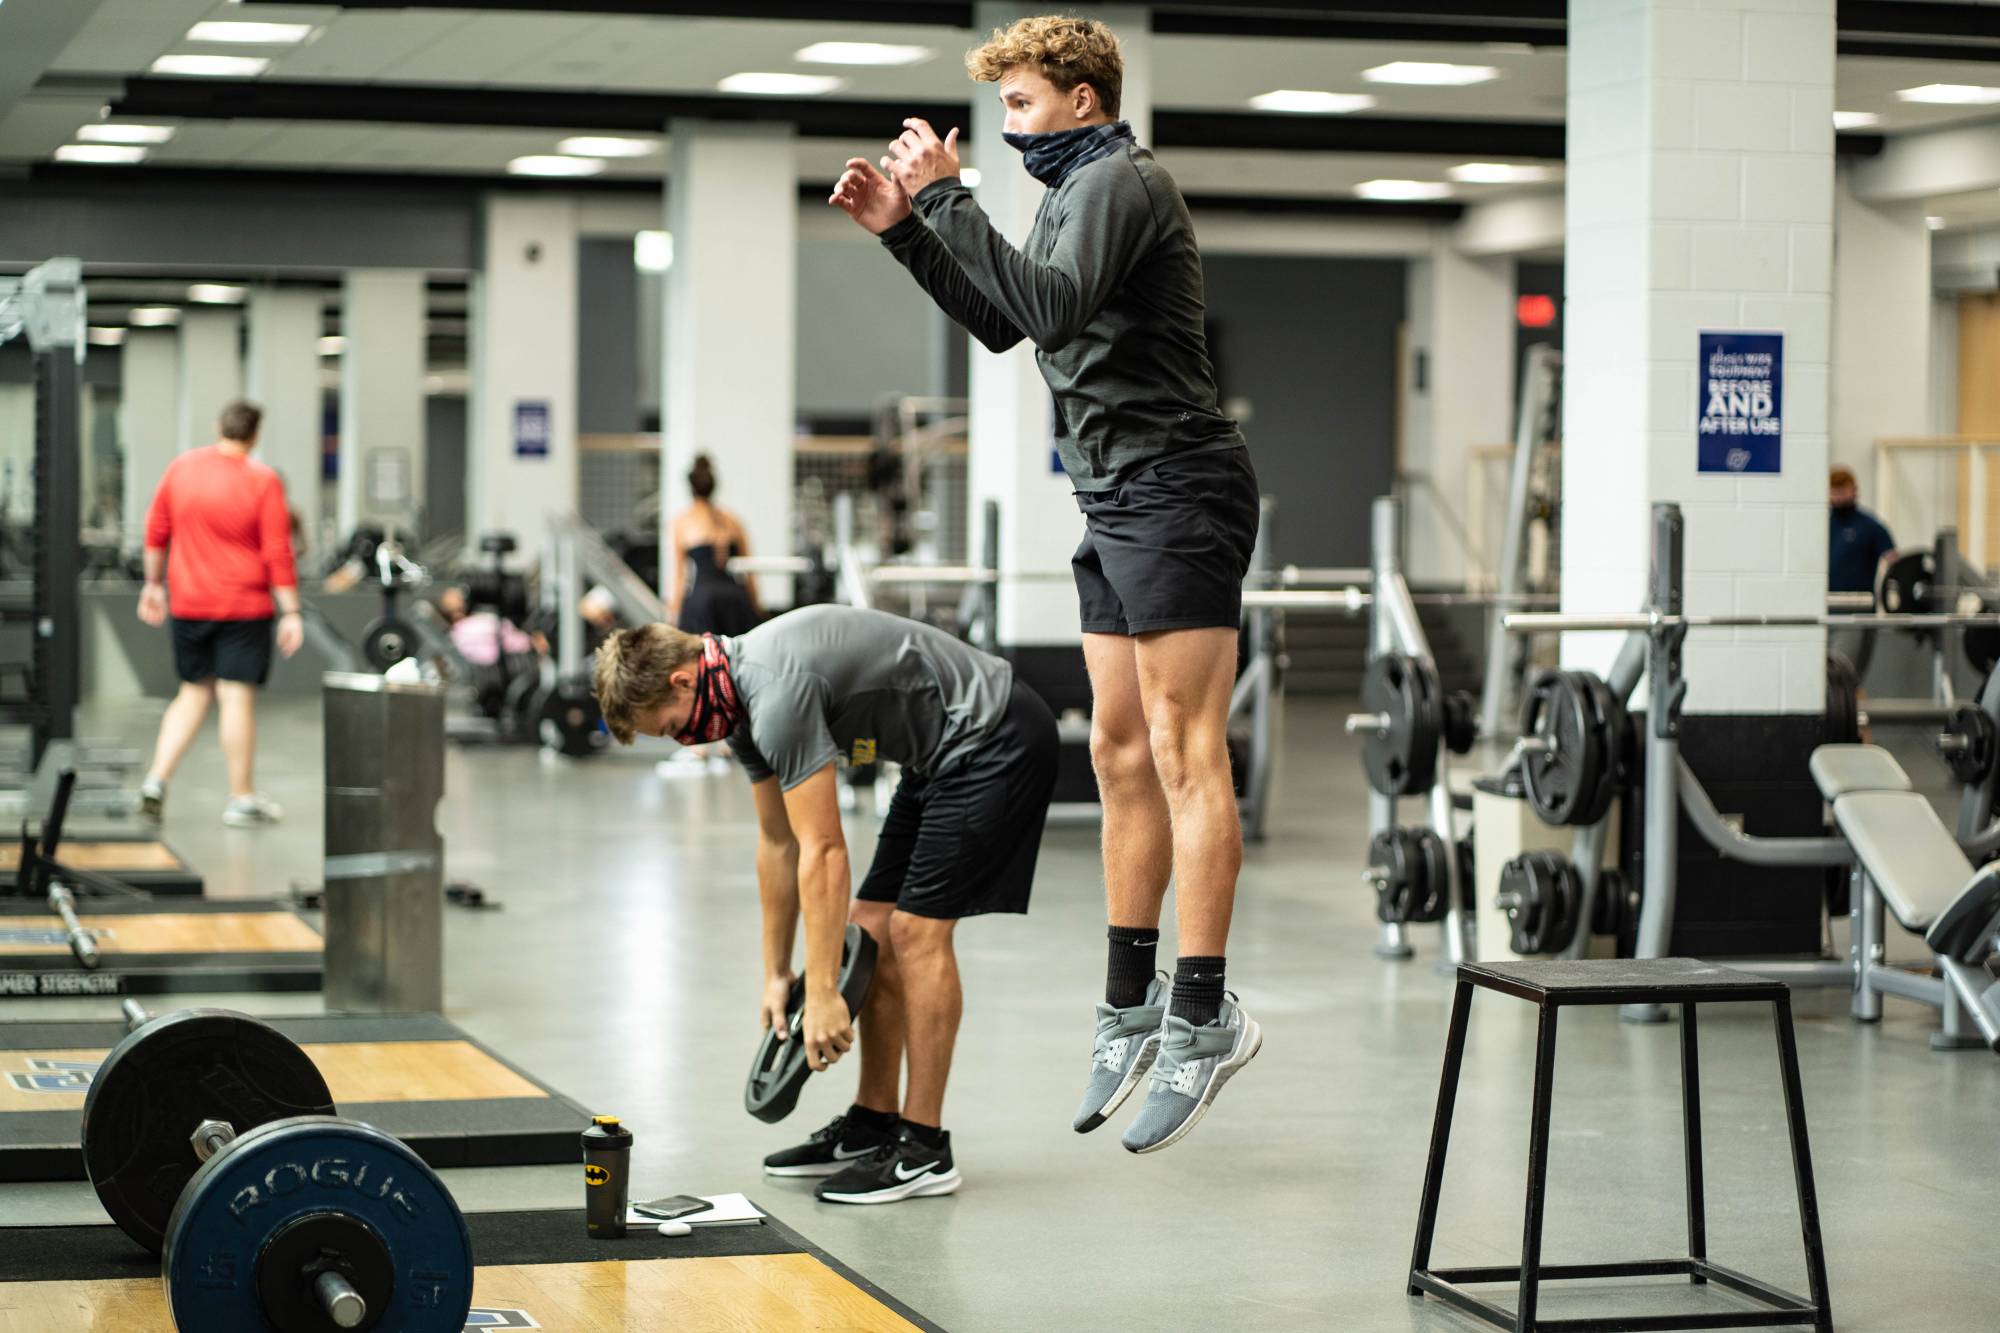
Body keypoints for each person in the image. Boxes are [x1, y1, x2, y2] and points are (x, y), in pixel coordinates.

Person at [829, 14, 1261, 1152]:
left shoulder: (1119, 179)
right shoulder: (1069, 193)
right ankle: (1129, 1003)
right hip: (1112, 494)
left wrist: (947, 196)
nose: (1008, 125)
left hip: (1177, 486)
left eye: (1019, 103)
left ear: (1082, 97)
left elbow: (1051, 306)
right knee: (1116, 748)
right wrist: (906, 230)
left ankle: (1203, 1013)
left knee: (1183, 749)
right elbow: (1006, 319)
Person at [593, 605, 1059, 1204]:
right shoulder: (738, 706)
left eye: (671, 728)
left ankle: (924, 1149)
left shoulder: (774, 694)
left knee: (916, 931)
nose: (684, 740)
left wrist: (821, 993)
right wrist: (776, 973)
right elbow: (777, 844)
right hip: (939, 757)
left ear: (683, 681)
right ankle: (874, 1122)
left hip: (996, 736)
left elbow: (825, 851)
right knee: (869, 931)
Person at [135, 400, 304, 827]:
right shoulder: (262, 480)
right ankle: (241, 799)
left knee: (192, 693)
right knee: (235, 697)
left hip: (189, 603)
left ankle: (156, 780)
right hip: (243, 607)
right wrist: (291, 612)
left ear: (219, 427)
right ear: (255, 435)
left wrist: (153, 585)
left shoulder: (181, 469)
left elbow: (155, 532)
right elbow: (277, 550)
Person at [668, 455, 761, 636]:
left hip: (703, 600)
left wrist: (674, 614)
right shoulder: (733, 520)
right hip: (736, 597)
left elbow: (680, 577)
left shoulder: (683, 522)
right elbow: (749, 572)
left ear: (691, 488)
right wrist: (757, 608)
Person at [1828, 466, 1897, 682]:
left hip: (1858, 610)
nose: (1838, 497)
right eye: (1834, 492)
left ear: (1854, 490)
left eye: (1843, 491)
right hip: (1827, 609)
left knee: (1848, 673)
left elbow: (1894, 561)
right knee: (1833, 675)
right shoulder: (1821, 525)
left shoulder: (1870, 526)